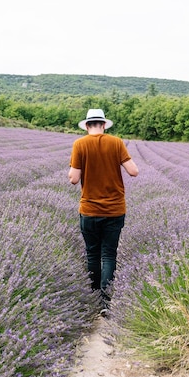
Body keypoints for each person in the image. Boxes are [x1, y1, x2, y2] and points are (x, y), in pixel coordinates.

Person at [68, 109, 139, 315]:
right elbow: (134, 171)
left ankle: (93, 298)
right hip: (115, 210)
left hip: (89, 210)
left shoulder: (79, 145)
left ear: (87, 125)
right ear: (104, 125)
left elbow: (73, 179)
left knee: (92, 254)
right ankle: (106, 304)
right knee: (109, 255)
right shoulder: (116, 143)